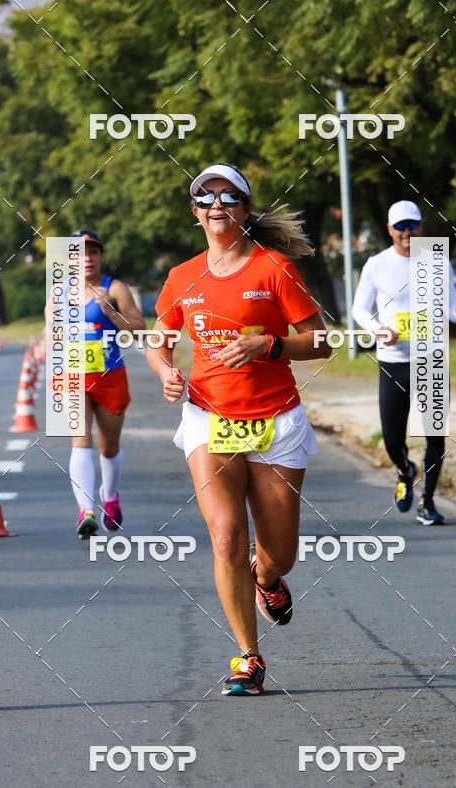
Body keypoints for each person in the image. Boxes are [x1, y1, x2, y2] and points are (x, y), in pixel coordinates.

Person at [147, 163, 331, 695]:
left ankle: (266, 577)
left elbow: (322, 342)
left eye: (228, 197)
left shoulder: (274, 269)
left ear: (245, 210)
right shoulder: (183, 277)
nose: (216, 206)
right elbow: (158, 342)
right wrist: (166, 373)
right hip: (208, 418)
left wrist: (268, 345)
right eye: (206, 198)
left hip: (276, 421)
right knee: (226, 535)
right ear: (195, 213)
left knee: (279, 553)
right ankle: (248, 657)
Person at [352, 200, 456, 525]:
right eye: (400, 226)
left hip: (431, 360)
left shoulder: (438, 261)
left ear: (421, 227)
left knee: (435, 435)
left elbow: (452, 305)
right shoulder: (376, 265)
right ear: (390, 229)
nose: (407, 232)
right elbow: (359, 309)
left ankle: (427, 502)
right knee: (392, 440)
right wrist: (378, 330)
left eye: (413, 225)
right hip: (393, 362)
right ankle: (406, 469)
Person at [68, 230, 145, 539]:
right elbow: (51, 331)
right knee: (80, 440)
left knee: (108, 447)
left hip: (110, 375)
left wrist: (111, 312)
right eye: (80, 253)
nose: (87, 258)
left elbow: (139, 329)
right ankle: (86, 511)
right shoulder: (60, 293)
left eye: (93, 252)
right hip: (74, 377)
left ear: (100, 256)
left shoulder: (114, 288)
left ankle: (109, 496)